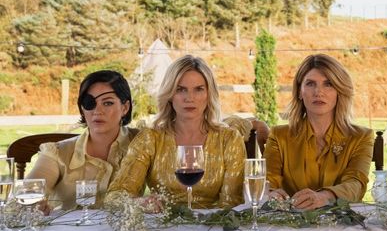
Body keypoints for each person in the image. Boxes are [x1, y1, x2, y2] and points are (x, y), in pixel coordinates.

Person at [107, 55, 245, 209]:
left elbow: (232, 203)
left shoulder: (229, 140)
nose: (189, 98)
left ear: (209, 94)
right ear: (170, 95)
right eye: (180, 89)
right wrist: (139, 203)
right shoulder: (151, 138)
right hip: (162, 228)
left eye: (199, 89)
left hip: (211, 228)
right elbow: (116, 196)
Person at [265, 54, 374, 210]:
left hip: (341, 227)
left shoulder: (361, 137)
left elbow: (356, 184)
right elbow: (267, 184)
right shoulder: (278, 136)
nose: (318, 92)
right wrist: (271, 194)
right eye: (310, 84)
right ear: (299, 92)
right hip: (290, 225)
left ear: (340, 91)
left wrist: (324, 197)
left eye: (328, 84)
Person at [28, 70, 137, 210]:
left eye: (108, 103)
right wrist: (34, 203)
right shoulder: (56, 153)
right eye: (89, 103)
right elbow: (29, 192)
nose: (98, 111)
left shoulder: (143, 144)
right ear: (82, 109)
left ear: (125, 108)